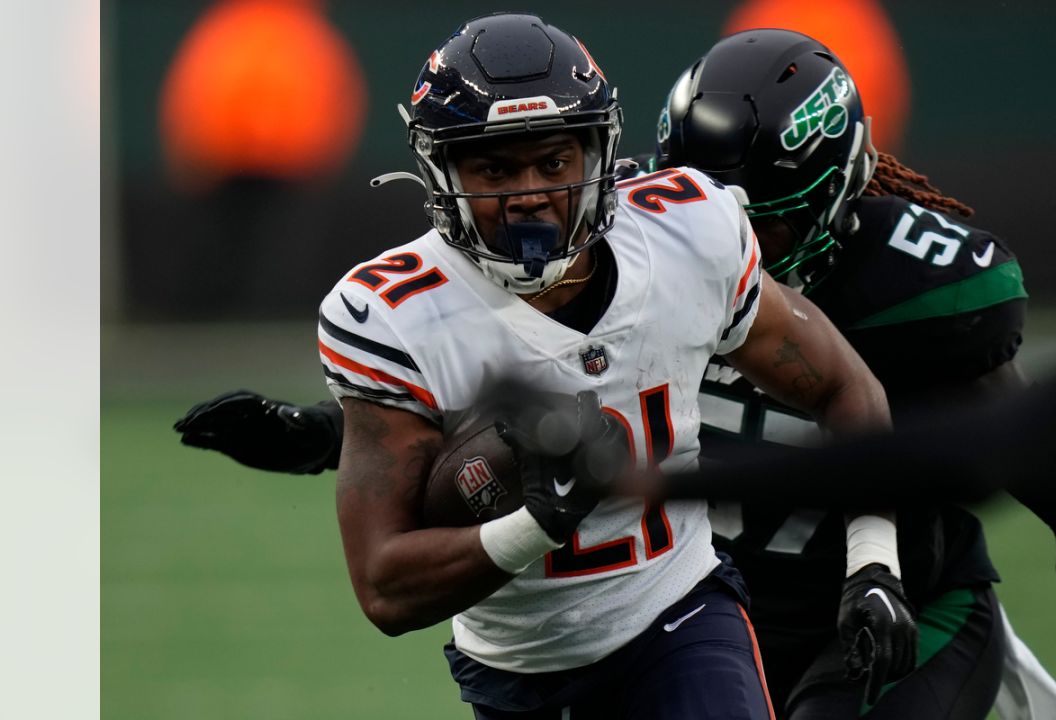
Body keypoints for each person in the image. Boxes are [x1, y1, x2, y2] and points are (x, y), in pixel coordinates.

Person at [173, 26, 1056, 720]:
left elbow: (1039, 458)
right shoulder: (636, 228)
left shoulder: (875, 290)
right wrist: (329, 437)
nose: (738, 236)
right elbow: (531, 391)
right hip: (705, 613)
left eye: (758, 217)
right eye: (495, 171)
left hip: (864, 608)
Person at [298, 12, 894, 720]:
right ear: (443, 169)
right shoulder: (395, 314)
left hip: (679, 616)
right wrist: (543, 523)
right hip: (519, 669)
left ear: (598, 156)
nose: (527, 194)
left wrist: (873, 562)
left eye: (553, 162)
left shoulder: (687, 237)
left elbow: (845, 388)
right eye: (493, 167)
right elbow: (385, 587)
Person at [647, 30, 1056, 720]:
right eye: (700, 221)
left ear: (832, 195)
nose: (729, 255)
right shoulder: (637, 261)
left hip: (898, 615)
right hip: (712, 619)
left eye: (761, 231)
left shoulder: (906, 296)